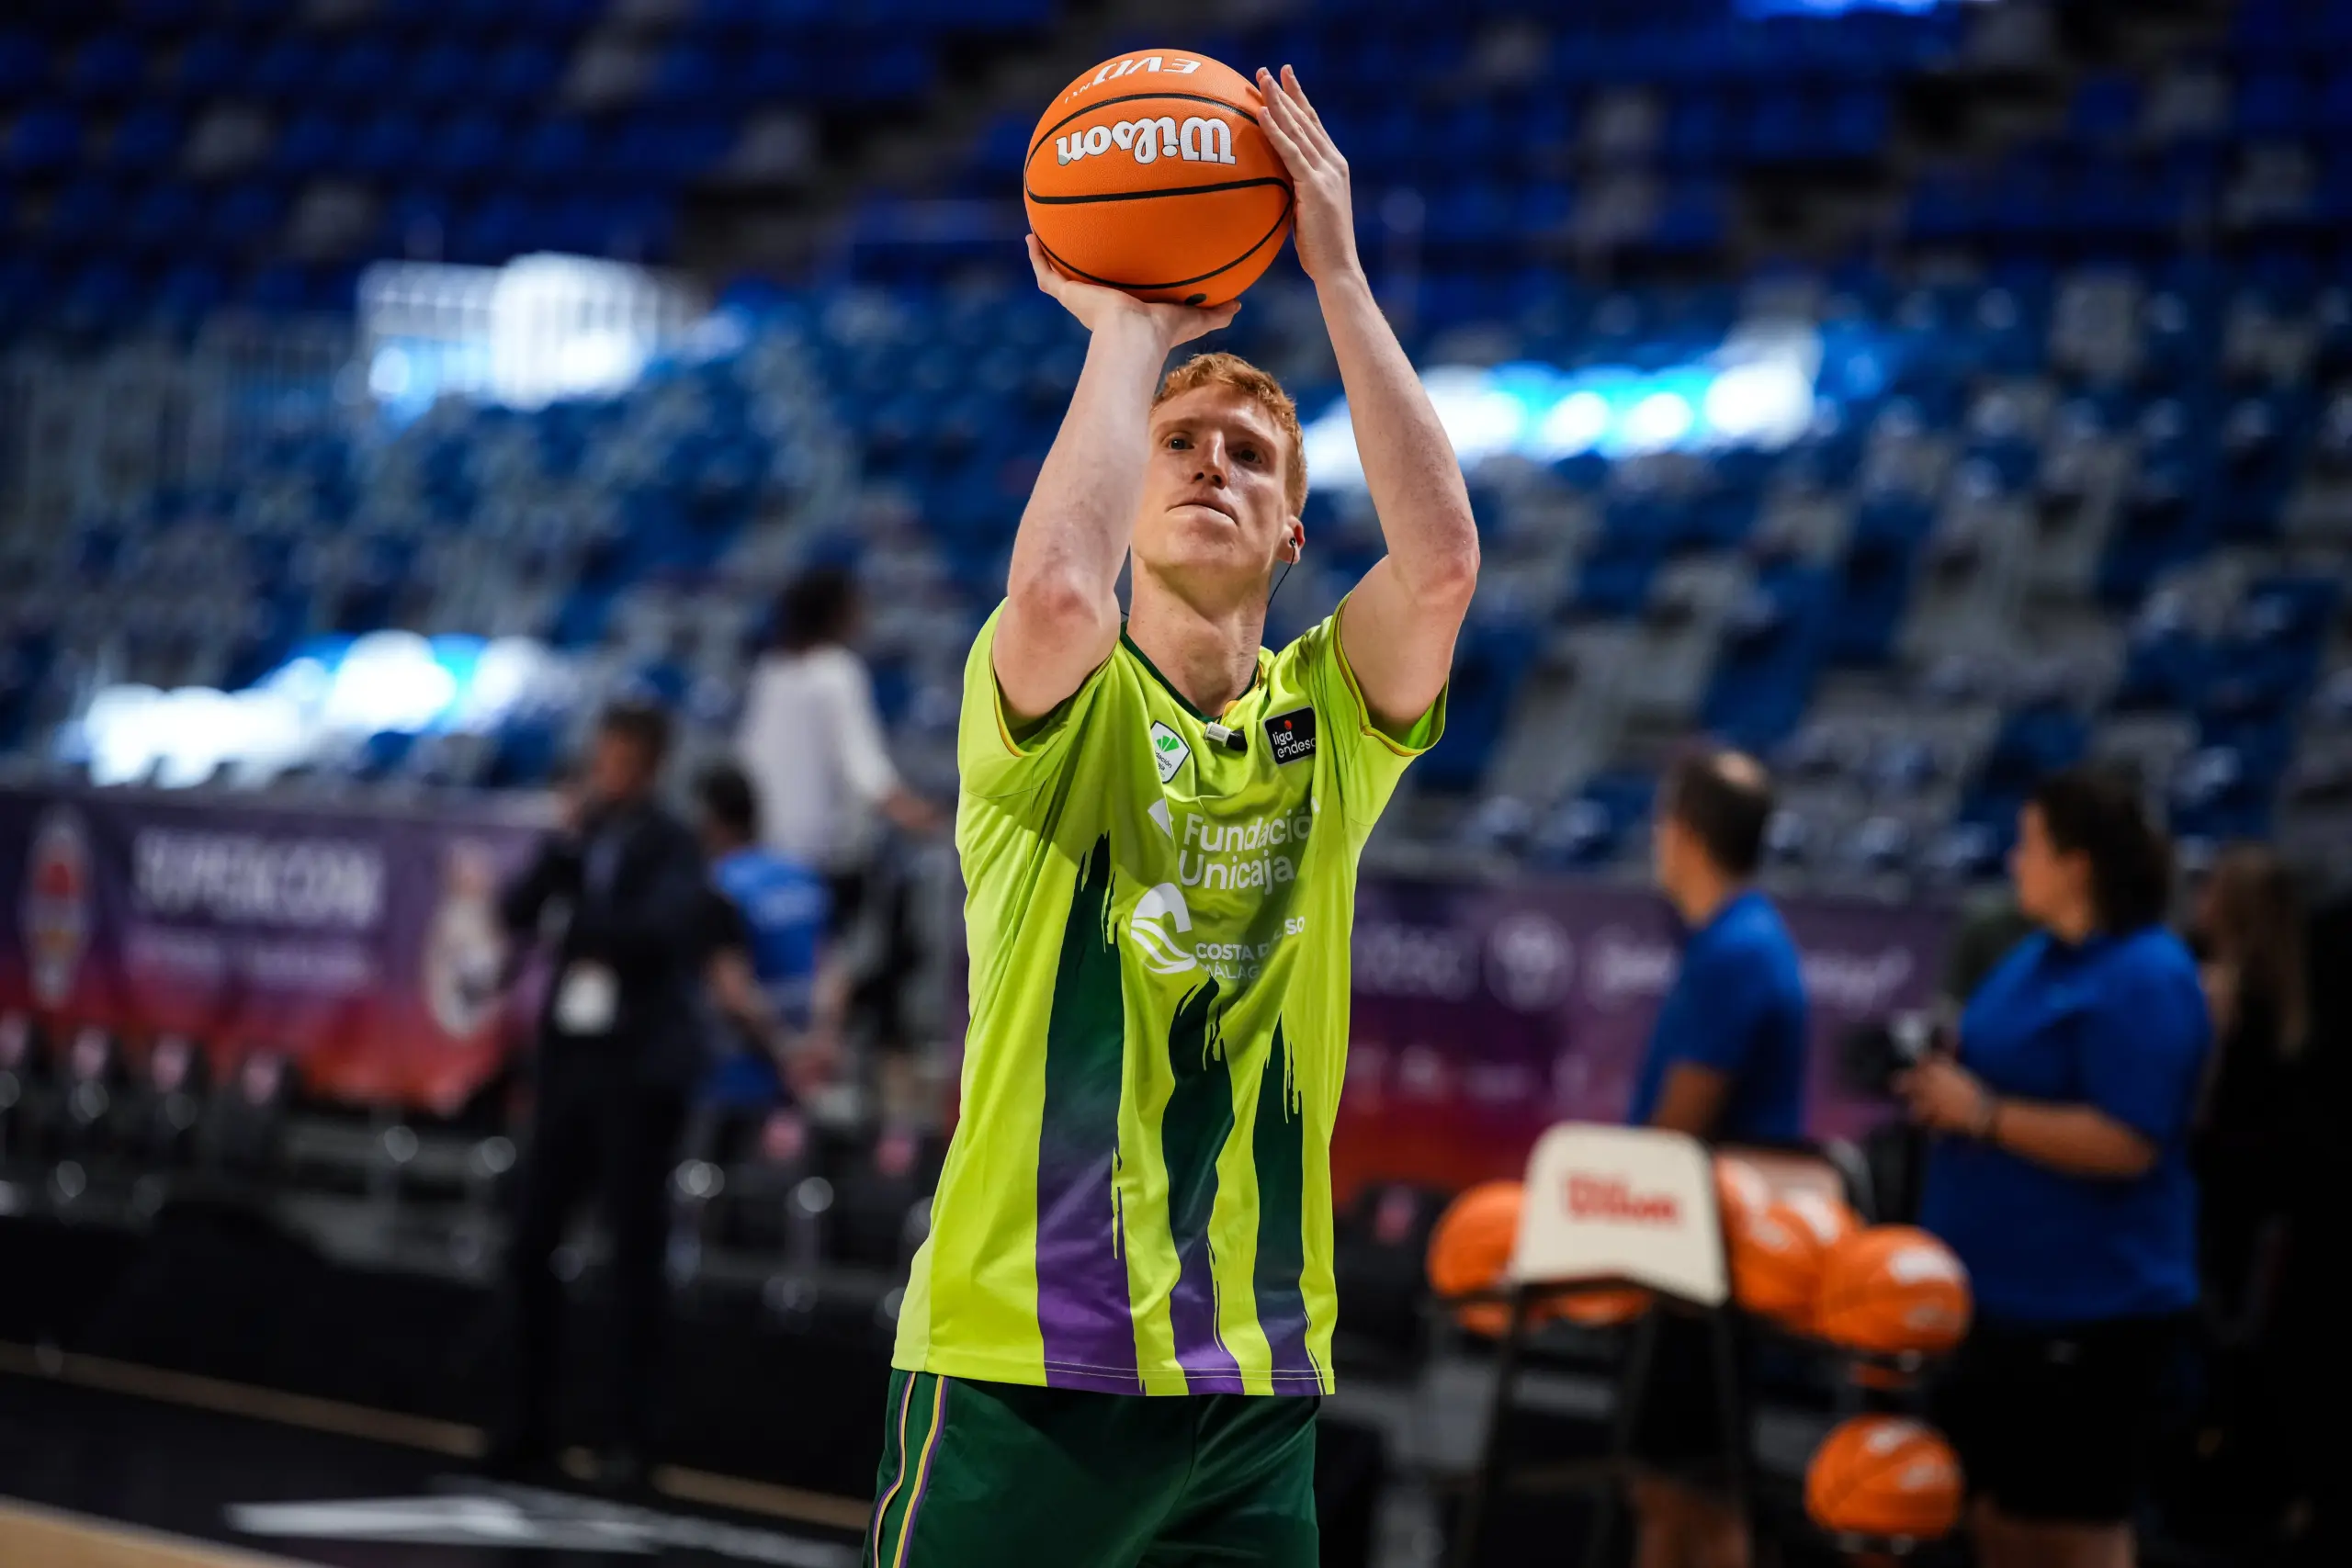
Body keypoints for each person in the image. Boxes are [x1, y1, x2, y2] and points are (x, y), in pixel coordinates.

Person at [864, 67, 1476, 1568]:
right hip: (1022, 1365)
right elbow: (1062, 590)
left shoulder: (1325, 726)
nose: (1213, 462)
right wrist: (1134, 330)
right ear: (1125, 484)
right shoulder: (1057, 707)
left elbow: (1446, 558)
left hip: (1250, 1388)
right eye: (1181, 446)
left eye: (1251, 458)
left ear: (1290, 529)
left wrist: (1332, 265)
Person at [1901, 767, 2210, 1568]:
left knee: (2070, 1534)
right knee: (1996, 1521)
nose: (2014, 861)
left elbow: (2129, 1139)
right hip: (1995, 1304)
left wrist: (1984, 1114)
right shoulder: (2033, 956)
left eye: (2030, 844)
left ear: (2078, 863)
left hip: (2090, 1313)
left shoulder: (2148, 973)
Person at [489, 701, 707, 1485]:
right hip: (570, 1062)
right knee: (529, 1242)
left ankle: (628, 1437)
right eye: (599, 756)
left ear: (647, 763)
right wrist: (561, 850)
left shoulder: (673, 844)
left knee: (631, 1255)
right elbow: (514, 910)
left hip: (636, 1069)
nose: (604, 770)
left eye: (617, 758)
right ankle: (523, 1426)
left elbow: (659, 935)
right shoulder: (581, 838)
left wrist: (580, 921)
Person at [1624, 749, 1809, 1568]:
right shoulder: (1735, 942)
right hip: (1703, 1260)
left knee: (1685, 1494)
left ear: (1688, 834)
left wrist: (1604, 1209)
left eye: (1664, 821)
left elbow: (1678, 1130)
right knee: (1677, 1491)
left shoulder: (1737, 950)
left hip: (1704, 1267)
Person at [735, 565, 941, 1127]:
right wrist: (915, 814)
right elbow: (863, 767)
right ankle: (828, 1088)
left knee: (779, 983)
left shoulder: (771, 672)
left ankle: (786, 1093)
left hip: (771, 861)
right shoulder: (834, 673)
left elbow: (749, 764)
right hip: (825, 867)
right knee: (840, 975)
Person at [691, 761, 845, 1122]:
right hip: (812, 1071)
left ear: (709, 821)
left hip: (740, 1078)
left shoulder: (719, 888)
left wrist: (787, 1052)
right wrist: (823, 1039)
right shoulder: (803, 876)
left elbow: (731, 989)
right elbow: (833, 969)